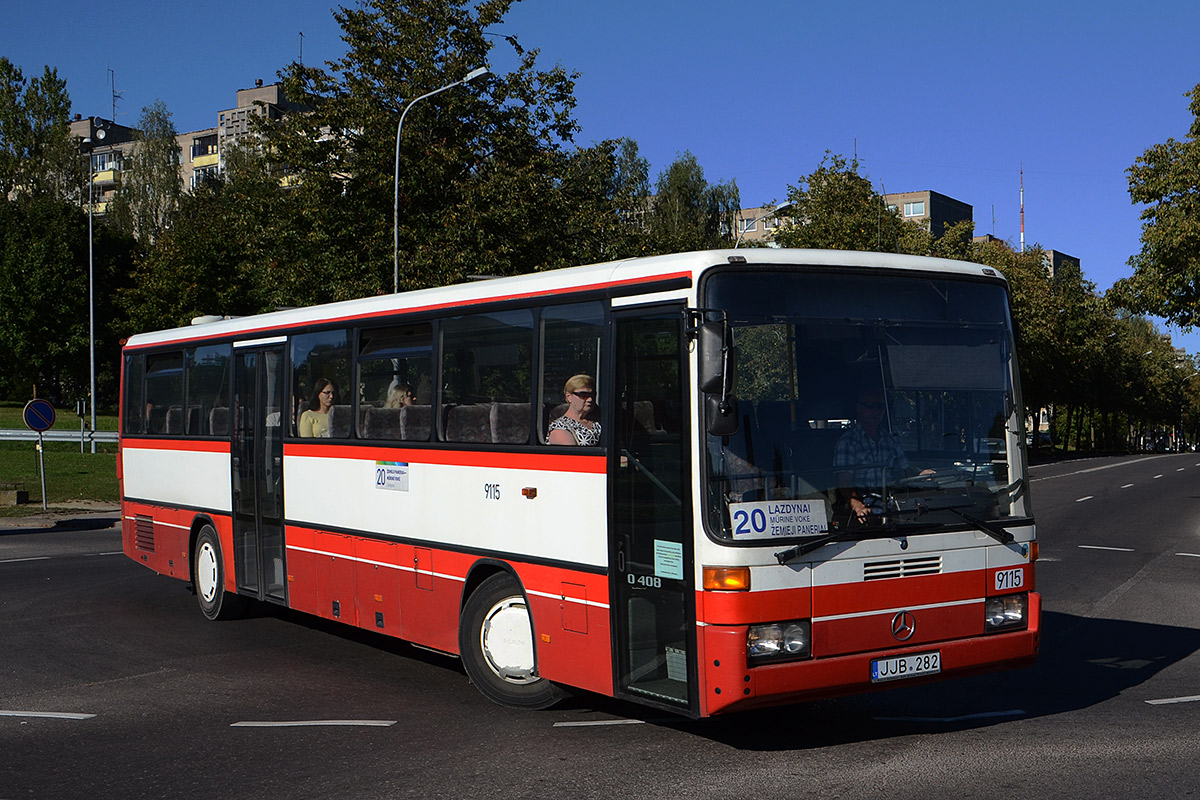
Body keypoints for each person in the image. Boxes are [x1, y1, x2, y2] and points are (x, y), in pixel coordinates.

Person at [834, 387, 932, 522]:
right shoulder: (847, 442)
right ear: (859, 408)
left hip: (893, 510)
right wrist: (858, 506)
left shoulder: (890, 440)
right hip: (865, 515)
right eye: (870, 406)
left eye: (880, 407)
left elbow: (905, 471)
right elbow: (844, 483)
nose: (875, 411)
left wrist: (921, 475)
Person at [548, 374, 601, 446]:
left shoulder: (600, 421)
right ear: (569, 396)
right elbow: (573, 456)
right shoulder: (560, 428)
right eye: (583, 395)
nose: (590, 399)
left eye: (592, 394)